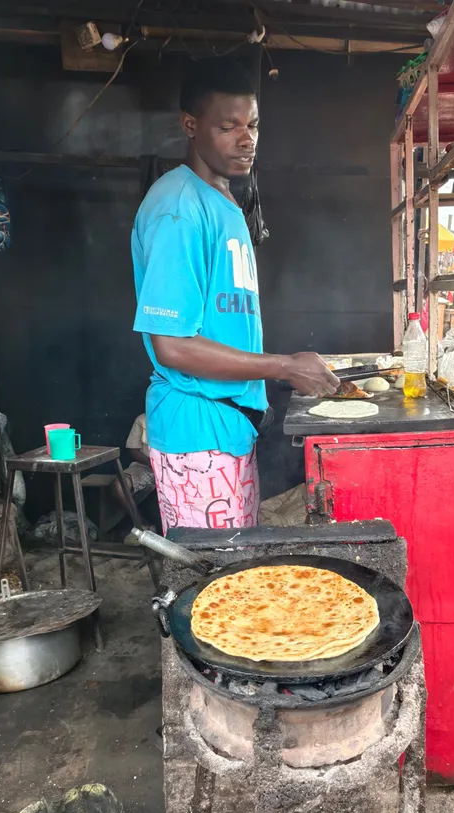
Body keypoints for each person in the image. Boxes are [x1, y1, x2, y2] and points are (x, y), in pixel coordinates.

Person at [132, 58, 338, 532]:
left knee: (237, 578)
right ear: (191, 126)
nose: (247, 139)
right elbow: (173, 345)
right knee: (214, 591)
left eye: (253, 125)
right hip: (196, 435)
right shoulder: (178, 210)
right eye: (228, 127)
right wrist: (285, 367)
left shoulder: (222, 203)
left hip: (227, 429)